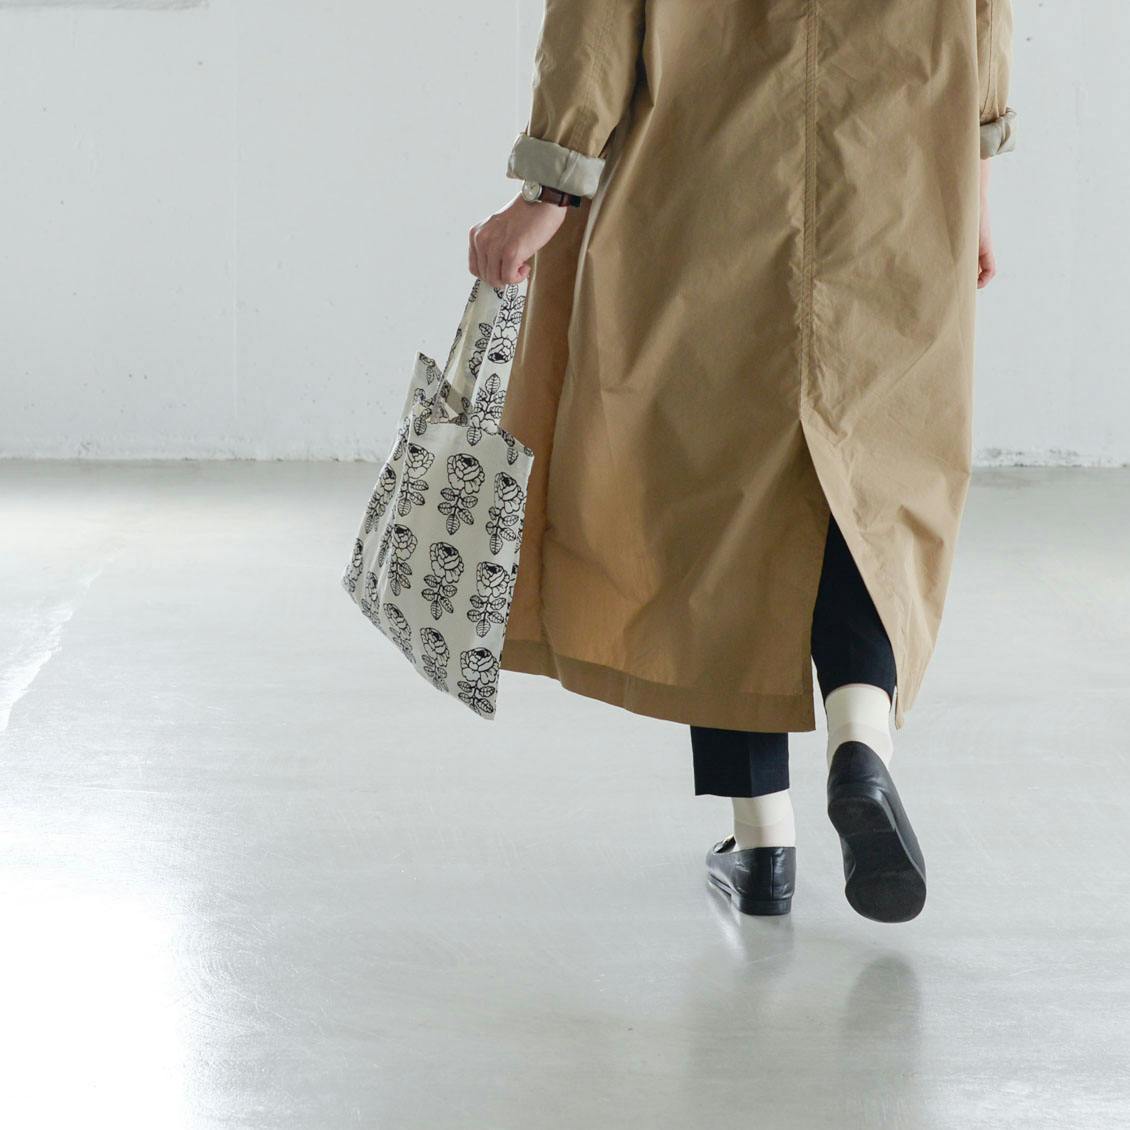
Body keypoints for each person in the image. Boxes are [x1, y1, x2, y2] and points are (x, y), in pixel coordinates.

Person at [468, 1, 1016, 923]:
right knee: (875, 477)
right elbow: (985, 20)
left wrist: (545, 193)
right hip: (899, 170)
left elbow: (594, 19)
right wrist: (973, 185)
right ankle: (860, 742)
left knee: (717, 497)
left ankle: (763, 843)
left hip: (706, 172)